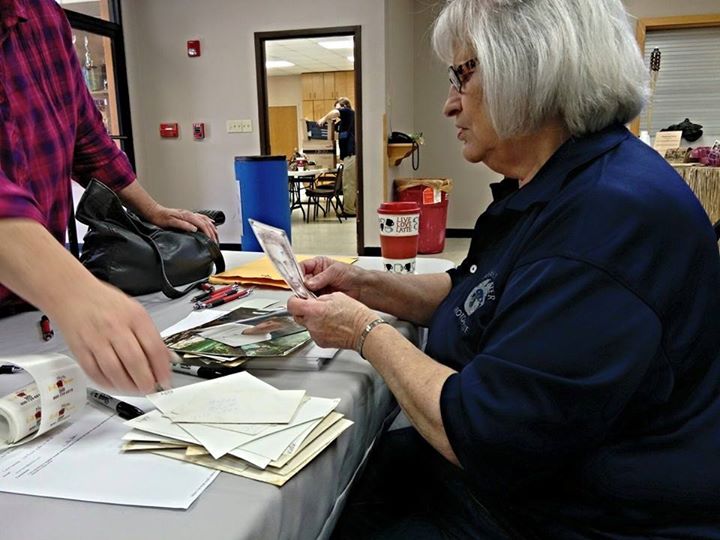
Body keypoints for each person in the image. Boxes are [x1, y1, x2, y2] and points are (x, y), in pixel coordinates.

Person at [288, 0, 720, 537]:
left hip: (575, 516)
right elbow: (474, 292)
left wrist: (363, 330)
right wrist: (362, 282)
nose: (449, 105)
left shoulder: (607, 218)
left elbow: (483, 433)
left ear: (529, 66)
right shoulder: (557, 184)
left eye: (460, 75)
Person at [0, 0, 218, 394]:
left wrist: (152, 211)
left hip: (28, 307)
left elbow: (86, 135)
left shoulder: (43, 15)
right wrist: (72, 290)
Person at [318, 97, 357, 217]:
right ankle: (352, 208)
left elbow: (335, 113)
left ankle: (349, 211)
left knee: (348, 184)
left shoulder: (348, 112)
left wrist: (324, 118)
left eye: (337, 107)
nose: (336, 112)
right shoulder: (344, 122)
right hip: (349, 156)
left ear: (344, 106)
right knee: (350, 184)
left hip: (352, 155)